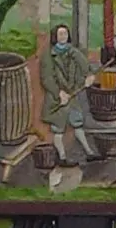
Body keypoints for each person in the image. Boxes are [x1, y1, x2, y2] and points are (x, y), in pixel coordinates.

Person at [39, 25, 101, 166]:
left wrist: (89, 76)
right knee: (58, 128)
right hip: (57, 99)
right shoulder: (48, 56)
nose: (63, 37)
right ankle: (62, 157)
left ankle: (89, 152)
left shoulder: (73, 52)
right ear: (55, 37)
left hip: (72, 96)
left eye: (65, 34)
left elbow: (84, 65)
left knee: (77, 122)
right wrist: (59, 93)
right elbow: (46, 78)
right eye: (60, 34)